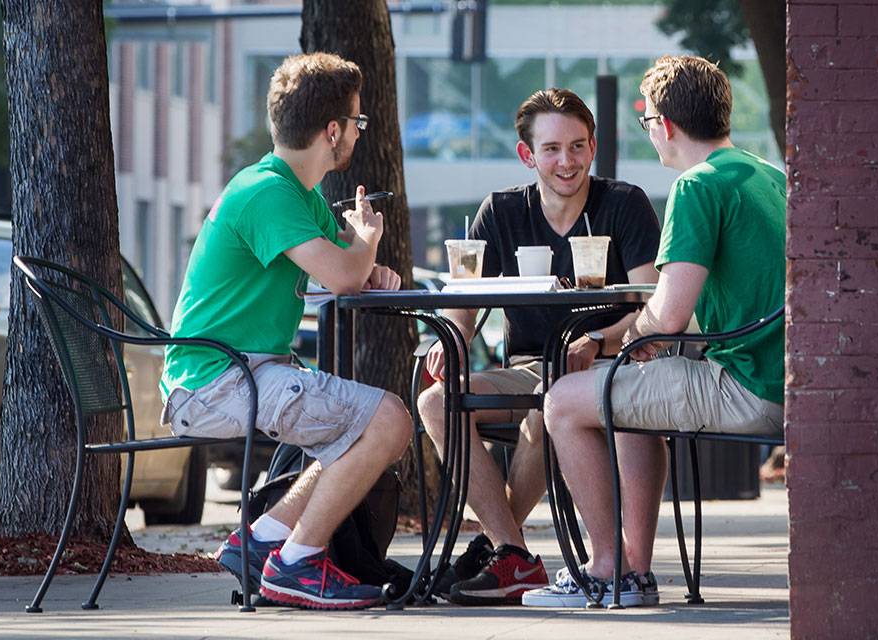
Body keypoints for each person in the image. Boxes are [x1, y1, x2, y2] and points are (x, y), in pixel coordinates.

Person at [523, 55, 786, 608]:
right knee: (628, 391)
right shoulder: (767, 174)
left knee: (566, 400)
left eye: (648, 124)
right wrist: (632, 346)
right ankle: (633, 573)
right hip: (784, 377)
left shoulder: (697, 186)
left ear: (665, 124)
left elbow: (666, 318)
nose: (652, 137)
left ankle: (606, 569)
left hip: (748, 385)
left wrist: (612, 342)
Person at [162, 52, 410, 611]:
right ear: (332, 130)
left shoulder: (300, 193)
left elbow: (346, 272)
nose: (358, 132)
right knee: (389, 419)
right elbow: (347, 274)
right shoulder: (267, 192)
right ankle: (296, 563)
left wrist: (367, 264)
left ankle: (264, 540)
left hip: (245, 372)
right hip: (216, 382)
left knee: (363, 429)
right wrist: (367, 240)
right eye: (357, 122)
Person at [415, 88, 661, 605]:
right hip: (529, 367)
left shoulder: (623, 203)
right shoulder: (501, 212)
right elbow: (462, 309)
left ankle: (501, 555)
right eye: (551, 149)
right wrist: (451, 339)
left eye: (576, 146)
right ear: (528, 155)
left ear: (592, 147)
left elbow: (651, 304)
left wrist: (600, 338)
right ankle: (513, 551)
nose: (565, 161)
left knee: (551, 402)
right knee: (435, 402)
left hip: (606, 367)